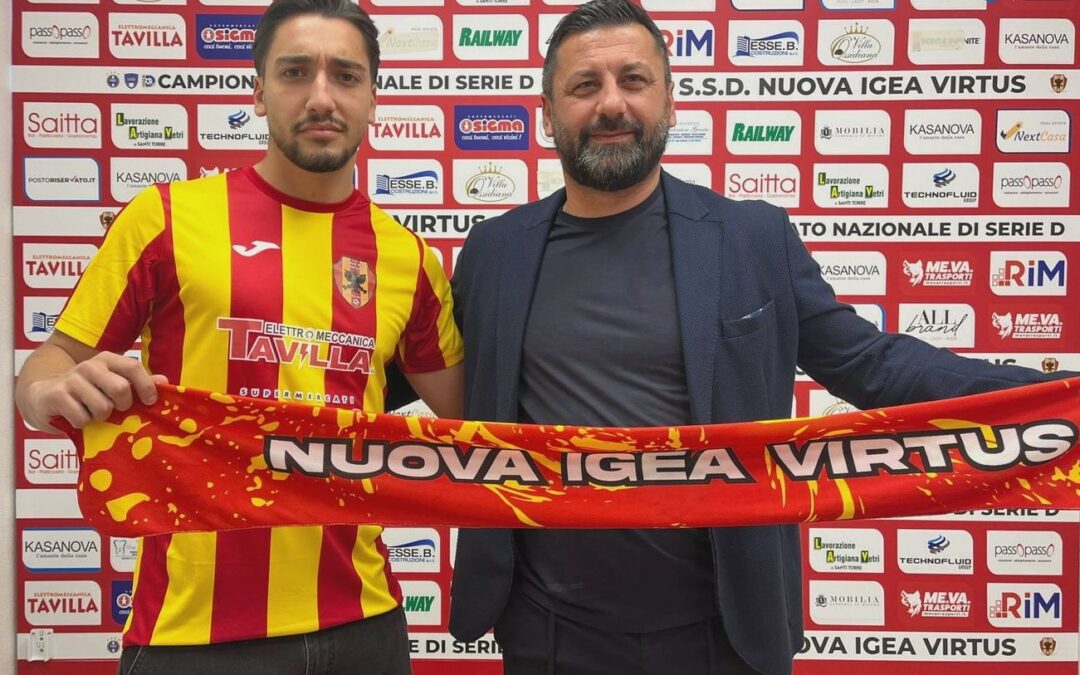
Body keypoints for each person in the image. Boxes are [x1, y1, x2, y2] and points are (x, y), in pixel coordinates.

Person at [447, 1, 1070, 674]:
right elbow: (411, 365)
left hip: (725, 629)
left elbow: (871, 364)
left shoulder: (750, 238)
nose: (611, 104)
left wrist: (1056, 401)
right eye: (584, 86)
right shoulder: (495, 252)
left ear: (670, 102)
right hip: (546, 631)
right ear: (547, 113)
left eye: (634, 80)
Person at [15, 0, 463, 672]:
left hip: (365, 623)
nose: (321, 97)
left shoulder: (409, 258)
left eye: (345, 76)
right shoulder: (165, 217)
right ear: (257, 92)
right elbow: (44, 370)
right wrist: (51, 391)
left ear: (373, 97)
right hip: (190, 632)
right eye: (294, 72)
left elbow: (477, 420)